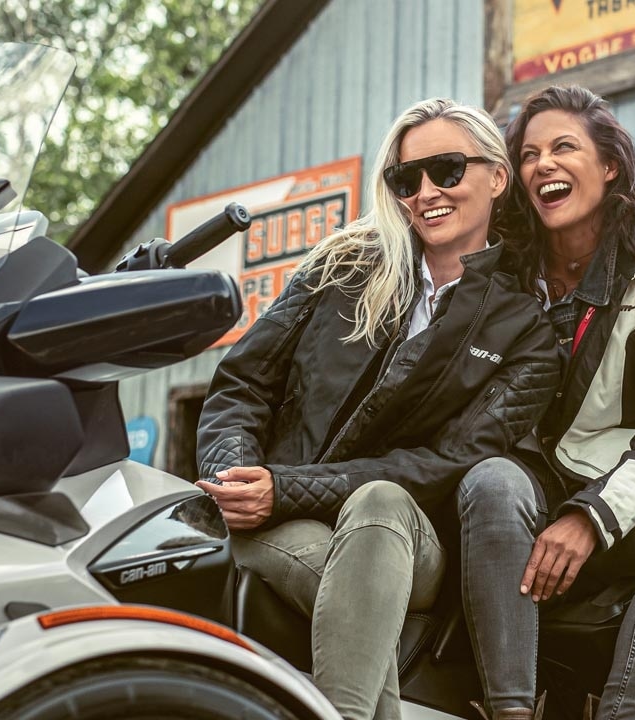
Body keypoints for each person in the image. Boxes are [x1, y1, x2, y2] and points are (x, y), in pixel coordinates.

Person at [195, 98, 560, 720]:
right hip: (279, 523)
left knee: (381, 500)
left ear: (497, 178)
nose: (424, 192)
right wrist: (235, 478)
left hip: (408, 540)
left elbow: (451, 463)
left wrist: (284, 488)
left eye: (445, 170)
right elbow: (241, 384)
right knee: (361, 609)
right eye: (404, 179)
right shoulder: (341, 266)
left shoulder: (526, 329)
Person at [457, 85, 635, 720]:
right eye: (528, 155)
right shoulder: (497, 273)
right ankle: (511, 713)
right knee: (494, 480)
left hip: (611, 512)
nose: (542, 164)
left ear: (609, 167)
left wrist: (590, 518)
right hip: (503, 502)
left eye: (562, 147)